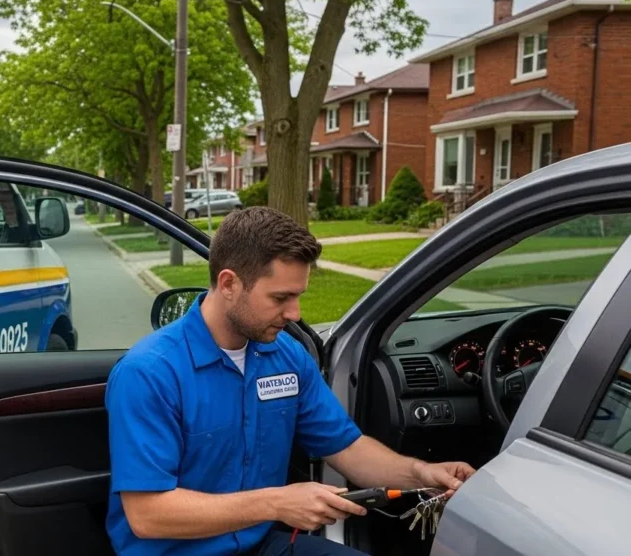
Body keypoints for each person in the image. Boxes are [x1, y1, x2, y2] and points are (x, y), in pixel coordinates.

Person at [104, 207, 476, 556]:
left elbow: (347, 448)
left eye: (298, 296)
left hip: (261, 545)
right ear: (229, 283)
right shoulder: (150, 372)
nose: (295, 314)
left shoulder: (286, 356)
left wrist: (421, 474)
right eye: (281, 297)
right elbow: (147, 515)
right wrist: (276, 503)